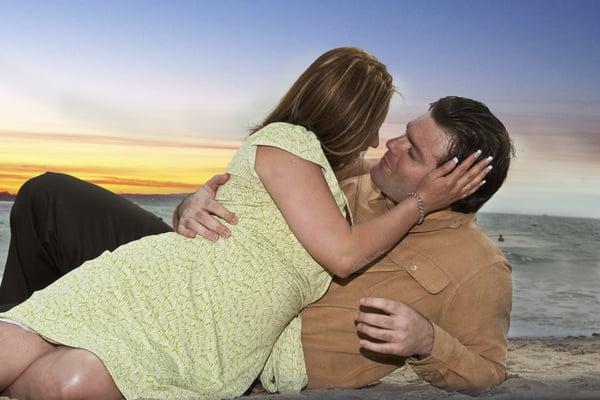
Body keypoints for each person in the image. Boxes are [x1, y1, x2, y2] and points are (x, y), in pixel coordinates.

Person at [0, 48, 487, 400]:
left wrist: (428, 340)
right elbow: (342, 252)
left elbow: (487, 367)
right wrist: (422, 200)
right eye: (381, 126)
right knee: (42, 232)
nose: (384, 142)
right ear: (348, 117)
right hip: (177, 291)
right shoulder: (299, 148)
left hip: (219, 332)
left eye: (411, 148)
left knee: (69, 381)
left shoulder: (476, 265)